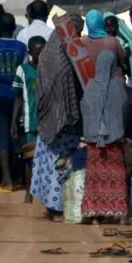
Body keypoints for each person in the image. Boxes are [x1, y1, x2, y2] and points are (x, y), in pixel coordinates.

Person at [30, 15, 82, 222]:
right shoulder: (63, 58)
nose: (77, 36)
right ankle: (58, 207)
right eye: (77, 31)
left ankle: (52, 206)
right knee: (60, 163)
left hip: (46, 118)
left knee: (47, 160)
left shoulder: (46, 53)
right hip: (62, 121)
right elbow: (69, 88)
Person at [80, 51, 129, 222]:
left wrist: (95, 128)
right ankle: (119, 213)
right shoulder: (118, 86)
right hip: (114, 139)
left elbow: (85, 109)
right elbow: (123, 110)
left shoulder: (91, 86)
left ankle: (93, 213)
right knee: (116, 175)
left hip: (94, 141)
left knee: (95, 176)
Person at [0, 13, 27, 192]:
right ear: (13, 28)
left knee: (1, 136)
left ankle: (6, 178)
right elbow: (24, 73)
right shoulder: (22, 47)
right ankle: (19, 177)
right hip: (16, 96)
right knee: (16, 135)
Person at [11, 36, 46, 203]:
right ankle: (28, 192)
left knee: (48, 158)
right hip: (30, 120)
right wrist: (13, 122)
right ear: (30, 53)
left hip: (48, 121)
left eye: (43, 52)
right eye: (37, 53)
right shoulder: (22, 70)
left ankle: (47, 194)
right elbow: (18, 97)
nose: (40, 56)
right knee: (30, 158)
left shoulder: (51, 69)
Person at [104, 12, 132, 89]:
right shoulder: (104, 42)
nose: (110, 29)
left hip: (129, 75)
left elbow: (128, 50)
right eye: (108, 26)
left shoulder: (122, 39)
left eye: (112, 25)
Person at [81, 10, 127, 77]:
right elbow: (123, 59)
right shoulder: (113, 40)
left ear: (88, 24)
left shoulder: (83, 42)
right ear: (101, 22)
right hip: (114, 82)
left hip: (93, 82)